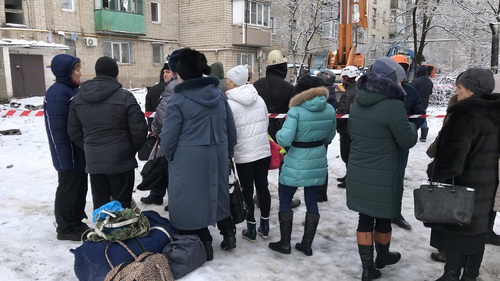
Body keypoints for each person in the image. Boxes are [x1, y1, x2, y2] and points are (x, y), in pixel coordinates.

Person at [160, 48, 237, 262]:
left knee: (191, 200)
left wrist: (170, 156)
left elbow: (168, 137)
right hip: (218, 153)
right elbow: (231, 127)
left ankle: (203, 242)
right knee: (217, 194)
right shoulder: (218, 94)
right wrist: (228, 150)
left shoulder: (179, 99)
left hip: (188, 158)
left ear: (181, 74)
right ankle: (228, 232)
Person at [346, 57, 418, 281]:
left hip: (359, 169)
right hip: (384, 172)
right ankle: (382, 257)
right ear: (389, 81)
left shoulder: (357, 101)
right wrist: (413, 127)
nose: (400, 84)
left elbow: (352, 133)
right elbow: (406, 140)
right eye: (398, 80)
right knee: (384, 217)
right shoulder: (393, 105)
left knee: (365, 218)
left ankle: (368, 268)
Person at [425, 68, 500, 281]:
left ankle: (450, 275)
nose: (456, 92)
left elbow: (452, 159)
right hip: (487, 186)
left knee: (455, 233)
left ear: (472, 90)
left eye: (459, 87)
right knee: (478, 234)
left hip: (461, 187)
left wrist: (434, 173)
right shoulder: (496, 111)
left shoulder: (465, 112)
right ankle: (470, 276)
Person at [68, 56, 148, 210]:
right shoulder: (125, 97)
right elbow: (139, 129)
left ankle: (103, 232)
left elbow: (73, 131)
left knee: (101, 205)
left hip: (95, 161)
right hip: (121, 161)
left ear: (96, 73)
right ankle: (123, 233)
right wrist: (128, 150)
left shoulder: (79, 98)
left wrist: (90, 147)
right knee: (123, 205)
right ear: (116, 75)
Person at [268, 77, 336, 257]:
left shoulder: (296, 110)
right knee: (312, 202)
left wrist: (279, 131)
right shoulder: (329, 109)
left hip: (295, 159)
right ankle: (307, 245)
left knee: (285, 199)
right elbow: (330, 136)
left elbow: (284, 139)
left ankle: (285, 243)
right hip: (317, 158)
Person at [44, 54, 89, 241]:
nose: (80, 73)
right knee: (68, 188)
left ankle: (75, 221)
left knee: (80, 187)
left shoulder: (71, 90)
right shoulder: (57, 93)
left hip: (77, 150)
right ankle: (65, 227)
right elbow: (57, 129)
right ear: (66, 72)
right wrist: (65, 156)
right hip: (67, 151)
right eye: (76, 70)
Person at [225, 65, 271, 243]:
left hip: (244, 154)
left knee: (247, 189)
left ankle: (251, 228)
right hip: (262, 150)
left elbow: (229, 130)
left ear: (235, 82)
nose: (226, 82)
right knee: (262, 187)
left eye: (228, 79)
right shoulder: (259, 99)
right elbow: (265, 122)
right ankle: (265, 227)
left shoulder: (230, 104)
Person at [254, 49, 301, 208]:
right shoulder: (288, 88)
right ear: (283, 68)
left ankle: (261, 197)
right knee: (284, 166)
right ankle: (284, 199)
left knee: (260, 167)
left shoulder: (256, 85)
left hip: (260, 133)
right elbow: (293, 113)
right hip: (282, 135)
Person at [390, 55, 426, 231]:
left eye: (403, 67)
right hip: (381, 144)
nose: (400, 71)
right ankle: (376, 213)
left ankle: (395, 212)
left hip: (401, 145)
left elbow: (419, 114)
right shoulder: (380, 90)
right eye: (397, 67)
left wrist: (408, 129)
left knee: (397, 179)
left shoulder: (411, 92)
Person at [140, 55, 180, 208]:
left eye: (168, 71)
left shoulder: (171, 88)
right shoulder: (159, 89)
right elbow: (151, 110)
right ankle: (157, 194)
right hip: (163, 135)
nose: (165, 74)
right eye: (164, 71)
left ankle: (171, 199)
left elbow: (161, 114)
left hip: (168, 136)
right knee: (160, 164)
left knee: (168, 167)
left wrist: (155, 128)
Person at [335, 66, 360, 189]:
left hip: (347, 128)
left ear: (345, 78)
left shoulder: (349, 92)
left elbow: (343, 111)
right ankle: (349, 175)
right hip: (355, 126)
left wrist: (337, 124)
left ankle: (350, 178)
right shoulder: (358, 88)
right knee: (351, 153)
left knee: (347, 154)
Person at [411, 65, 434, 142]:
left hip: (415, 102)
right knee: (423, 117)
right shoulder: (429, 81)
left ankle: (412, 134)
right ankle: (424, 136)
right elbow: (430, 92)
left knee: (413, 117)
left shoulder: (415, 81)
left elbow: (411, 91)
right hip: (425, 102)